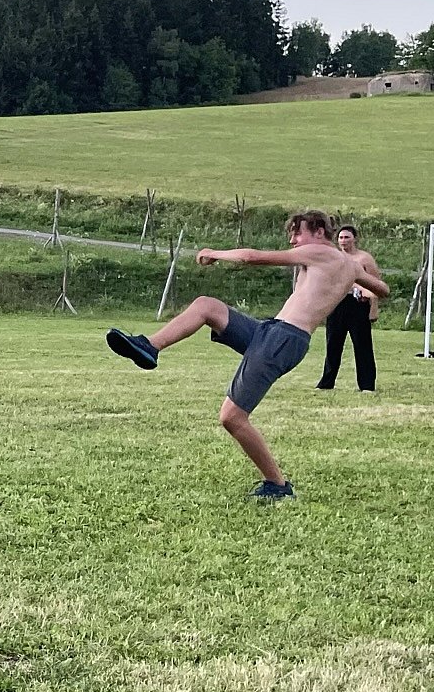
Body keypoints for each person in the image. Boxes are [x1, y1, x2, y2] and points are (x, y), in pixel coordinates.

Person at [104, 211, 389, 501]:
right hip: (273, 331)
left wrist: (214, 253)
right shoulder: (350, 265)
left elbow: (253, 257)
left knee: (232, 417)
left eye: (297, 233)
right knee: (206, 306)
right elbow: (383, 289)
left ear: (318, 232)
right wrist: (353, 282)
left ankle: (278, 485)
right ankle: (149, 347)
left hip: (284, 338)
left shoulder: (319, 251)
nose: (292, 240)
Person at [315, 222, 382, 392]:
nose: (343, 241)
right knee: (333, 344)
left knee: (362, 345)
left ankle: (367, 384)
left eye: (347, 237)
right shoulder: (335, 258)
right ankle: (327, 382)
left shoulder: (364, 258)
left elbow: (376, 285)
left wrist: (373, 308)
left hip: (358, 305)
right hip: (337, 303)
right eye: (341, 238)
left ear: (354, 239)